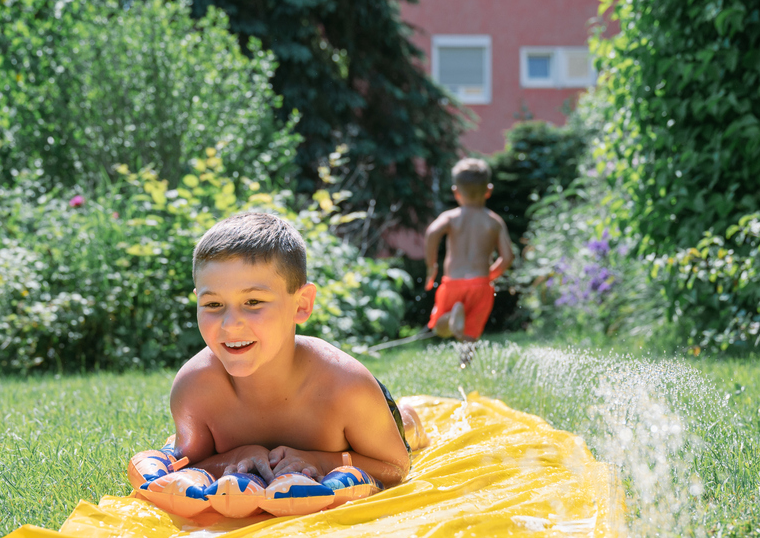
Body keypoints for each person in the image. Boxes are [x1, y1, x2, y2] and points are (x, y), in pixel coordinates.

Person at [170, 210, 426, 490]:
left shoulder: (345, 387)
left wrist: (319, 461)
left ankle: (409, 416)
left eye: (253, 302)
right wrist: (236, 457)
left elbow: (395, 467)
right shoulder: (195, 388)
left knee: (404, 428)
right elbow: (187, 466)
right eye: (213, 305)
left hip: (367, 410)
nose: (230, 325)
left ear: (302, 304)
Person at [423, 157, 515, 342]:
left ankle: (450, 319)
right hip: (480, 284)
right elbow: (508, 257)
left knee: (440, 328)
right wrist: (490, 275)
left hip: (453, 283)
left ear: (456, 192)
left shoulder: (451, 217)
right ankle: (465, 364)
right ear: (488, 190)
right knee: (471, 332)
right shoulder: (494, 221)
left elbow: (432, 232)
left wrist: (431, 266)